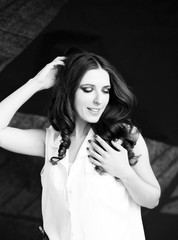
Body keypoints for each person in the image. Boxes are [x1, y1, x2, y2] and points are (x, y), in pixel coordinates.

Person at [0, 47, 161, 240]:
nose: (99, 100)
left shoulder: (123, 135)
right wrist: (36, 83)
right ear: (69, 91)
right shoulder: (51, 140)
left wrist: (124, 172)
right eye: (87, 89)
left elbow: (152, 199)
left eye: (105, 90)